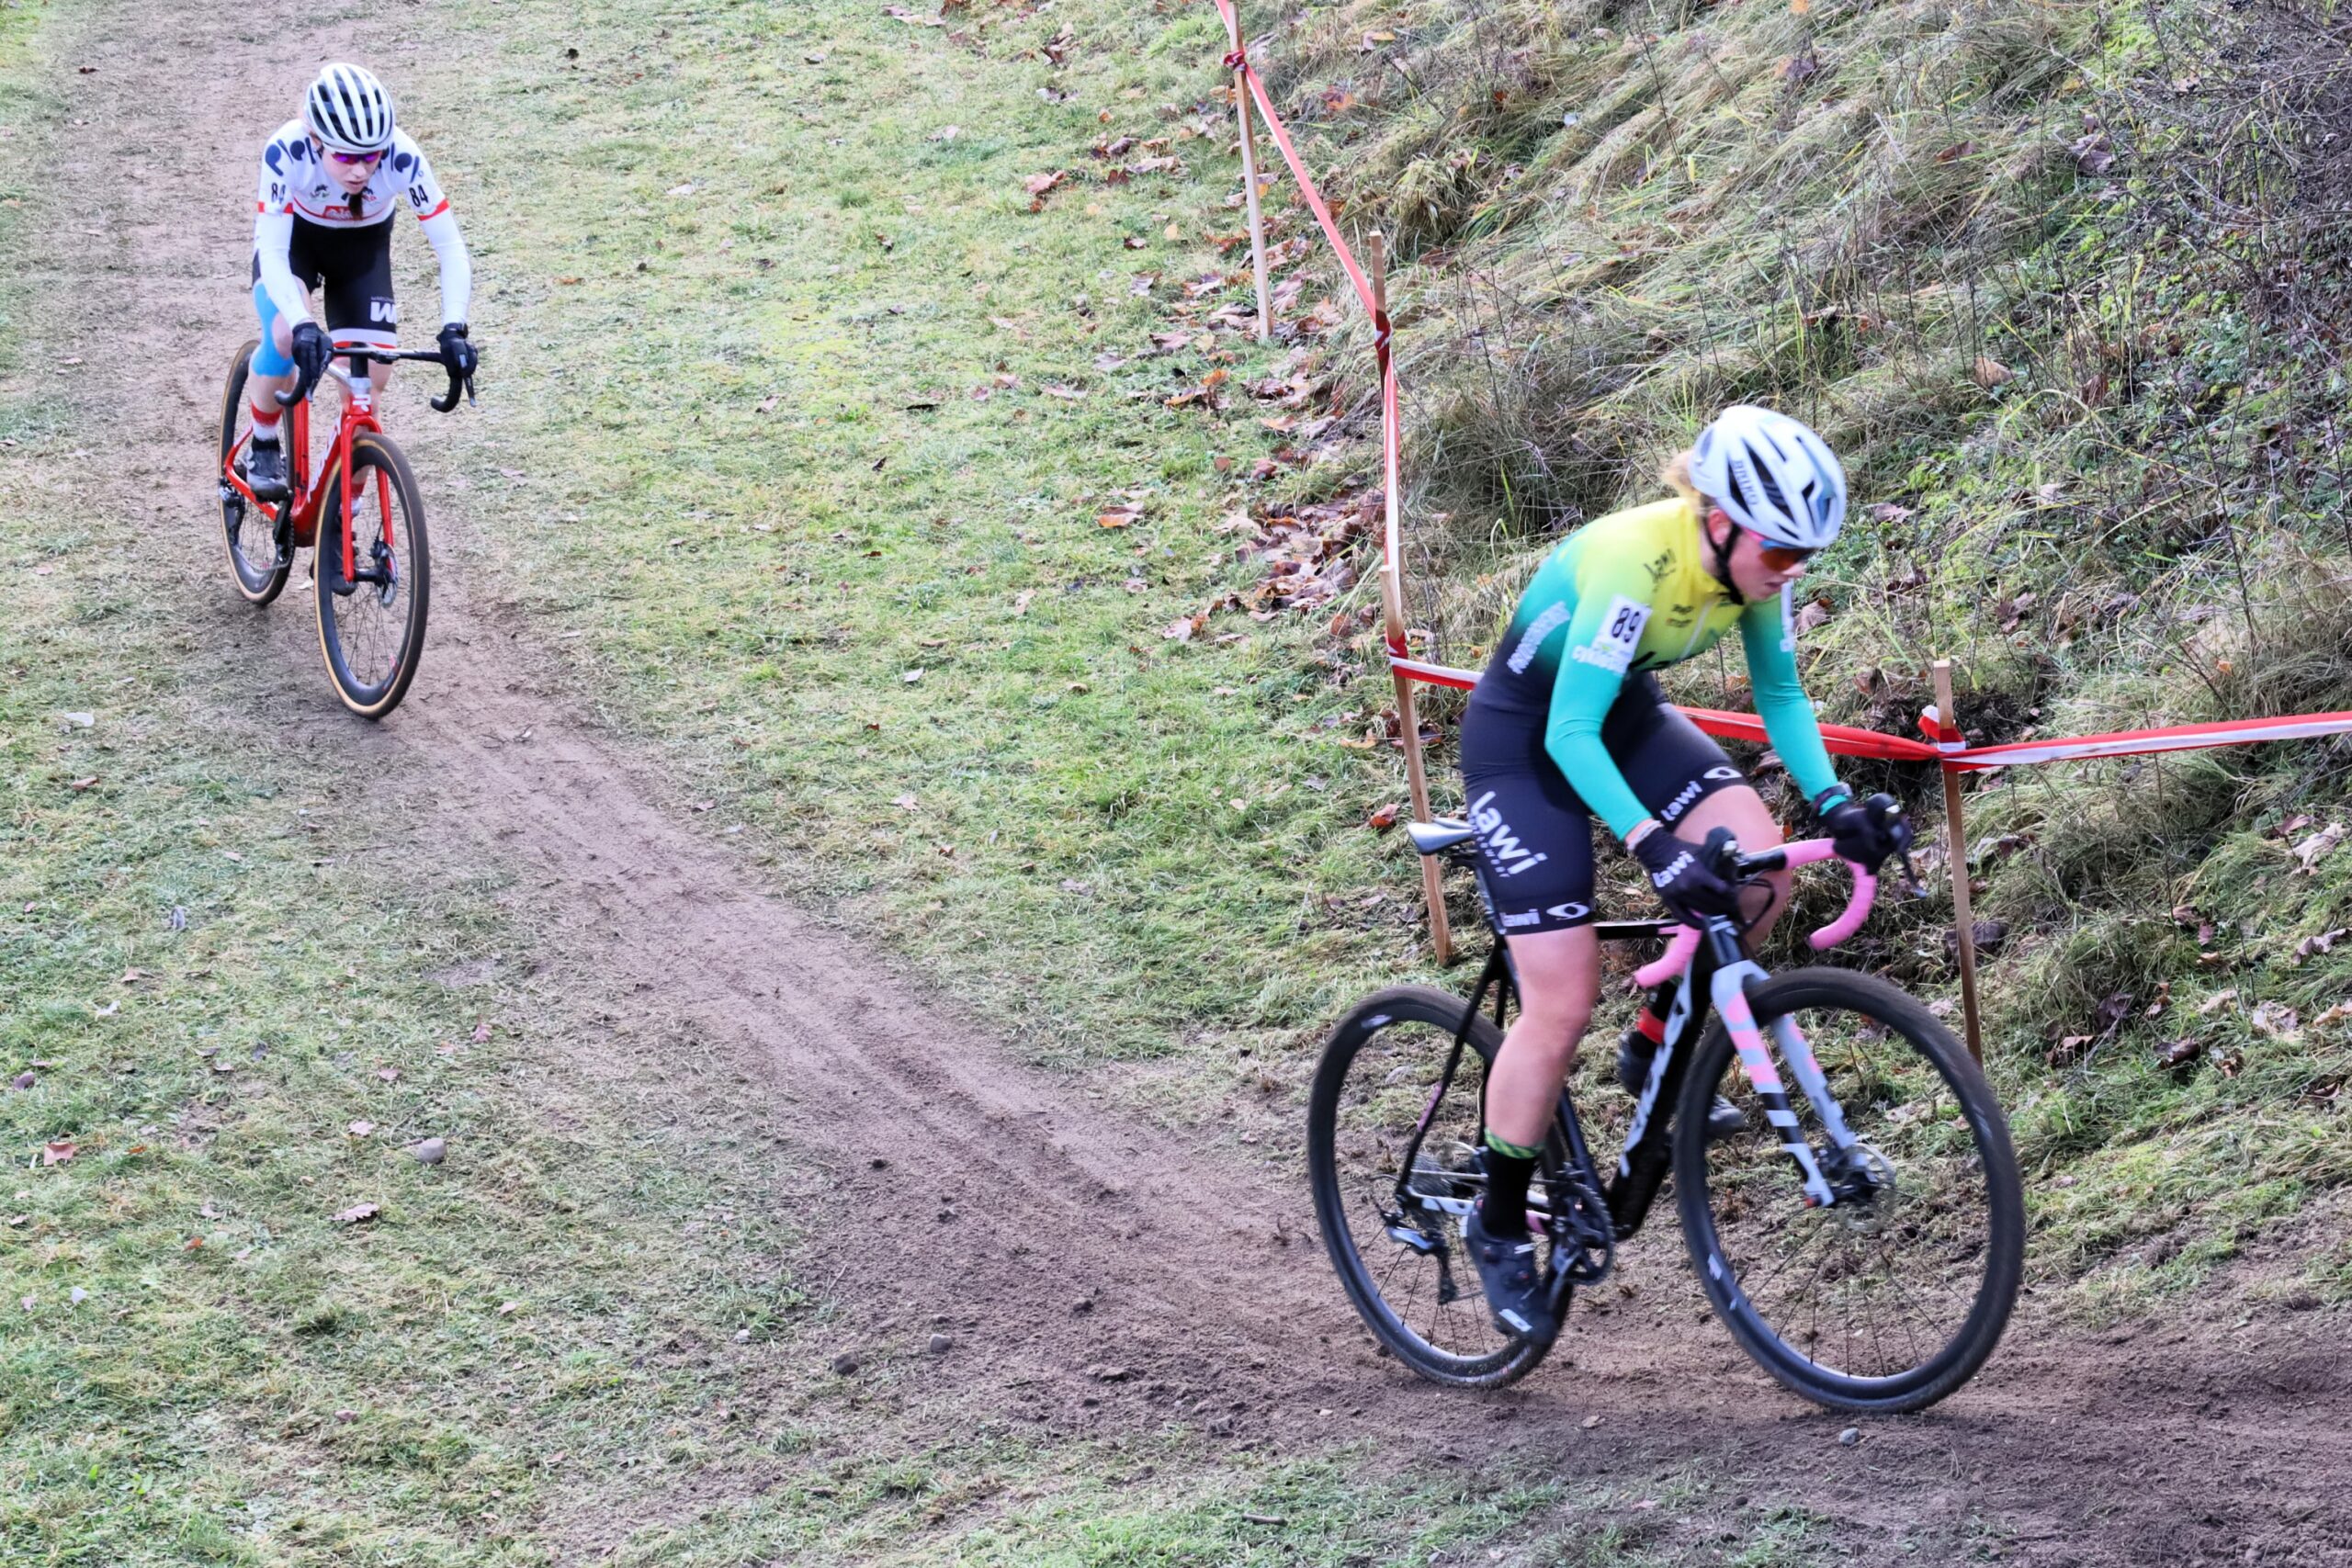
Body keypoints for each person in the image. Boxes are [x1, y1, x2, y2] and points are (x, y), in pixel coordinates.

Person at [1453, 405, 1909, 1340]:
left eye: (1804, 556)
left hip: (1623, 719)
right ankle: (1495, 1221)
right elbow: (1566, 732)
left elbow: (1779, 692)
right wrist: (1653, 847)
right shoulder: (1636, 564)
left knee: (1757, 874)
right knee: (1561, 1000)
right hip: (1525, 745)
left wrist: (1832, 805)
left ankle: (1652, 1048)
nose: (1792, 571)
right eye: (1781, 552)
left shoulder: (1753, 570)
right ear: (1722, 522)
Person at [242, 63, 477, 498]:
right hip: (295, 245)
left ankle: (341, 522)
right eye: (346, 157)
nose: (360, 170)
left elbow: (450, 248)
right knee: (284, 336)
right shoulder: (286, 150)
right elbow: (271, 250)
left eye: (371, 156)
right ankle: (263, 440)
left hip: (361, 253)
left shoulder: (402, 156)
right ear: (316, 141)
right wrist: (303, 323)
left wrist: (454, 327)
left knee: (368, 387)